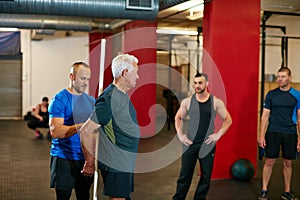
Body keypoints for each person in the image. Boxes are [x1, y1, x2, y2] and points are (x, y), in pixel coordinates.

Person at [80, 54, 140, 200]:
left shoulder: (121, 95)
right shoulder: (110, 99)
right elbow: (86, 131)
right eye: (136, 72)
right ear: (125, 73)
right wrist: (89, 162)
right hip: (116, 162)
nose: (137, 77)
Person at [173, 72, 232, 200]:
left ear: (207, 83)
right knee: (184, 175)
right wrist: (180, 135)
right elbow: (178, 117)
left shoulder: (215, 102)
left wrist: (218, 135)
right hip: (190, 143)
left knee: (206, 176)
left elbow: (228, 120)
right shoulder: (188, 102)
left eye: (200, 83)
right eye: (195, 83)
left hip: (207, 145)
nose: (197, 86)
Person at [48, 62, 95, 200]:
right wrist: (81, 126)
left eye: (88, 79)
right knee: (63, 197)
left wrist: (91, 160)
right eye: (82, 78)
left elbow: (95, 133)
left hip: (84, 159)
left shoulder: (91, 101)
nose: (85, 83)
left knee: (84, 196)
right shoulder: (60, 99)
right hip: (63, 158)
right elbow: (56, 131)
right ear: (71, 76)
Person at [258, 67, 300, 200]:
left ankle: (287, 192)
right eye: (278, 77)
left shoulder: (297, 95)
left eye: (283, 76)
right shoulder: (271, 94)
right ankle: (264, 190)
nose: (280, 79)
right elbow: (264, 116)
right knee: (269, 161)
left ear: (290, 78)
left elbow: (299, 118)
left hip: (290, 132)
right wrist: (261, 135)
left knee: (288, 163)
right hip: (273, 132)